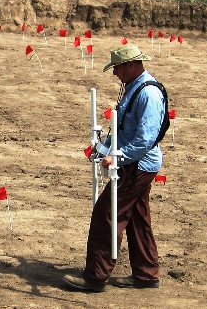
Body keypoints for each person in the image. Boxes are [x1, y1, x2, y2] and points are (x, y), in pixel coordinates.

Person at [63, 44, 166, 292]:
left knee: (107, 213)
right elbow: (121, 128)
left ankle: (95, 277)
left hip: (136, 165)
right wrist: (104, 148)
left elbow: (145, 139)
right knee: (137, 218)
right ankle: (146, 274)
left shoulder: (148, 94)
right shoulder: (132, 87)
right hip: (134, 162)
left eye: (117, 68)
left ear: (131, 65)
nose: (114, 73)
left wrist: (117, 157)